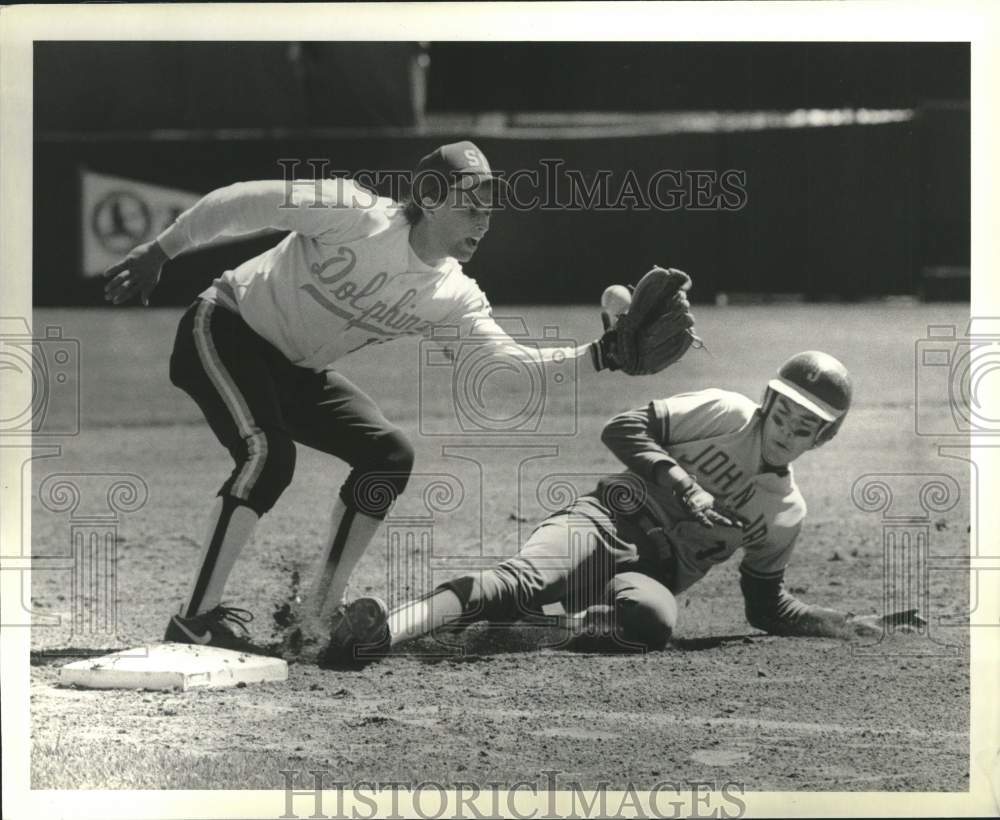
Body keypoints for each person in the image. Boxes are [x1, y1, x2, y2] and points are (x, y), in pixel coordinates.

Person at [102, 141, 690, 655]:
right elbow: (242, 201)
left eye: (489, 210)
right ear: (430, 197)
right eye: (470, 205)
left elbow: (505, 368)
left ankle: (315, 615)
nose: (483, 221)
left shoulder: (452, 294)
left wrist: (602, 354)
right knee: (268, 456)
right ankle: (193, 621)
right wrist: (163, 250)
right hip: (223, 326)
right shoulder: (355, 214)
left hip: (296, 369)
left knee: (388, 454)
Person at [324, 350, 887, 667]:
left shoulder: (786, 512)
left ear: (822, 437)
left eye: (805, 425)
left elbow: (766, 607)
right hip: (604, 519)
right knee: (519, 581)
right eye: (785, 412)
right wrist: (683, 485)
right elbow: (623, 427)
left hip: (650, 575)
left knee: (653, 622)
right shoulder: (723, 411)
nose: (789, 429)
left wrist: (834, 622)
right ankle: (381, 633)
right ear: (769, 402)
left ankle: (538, 630)